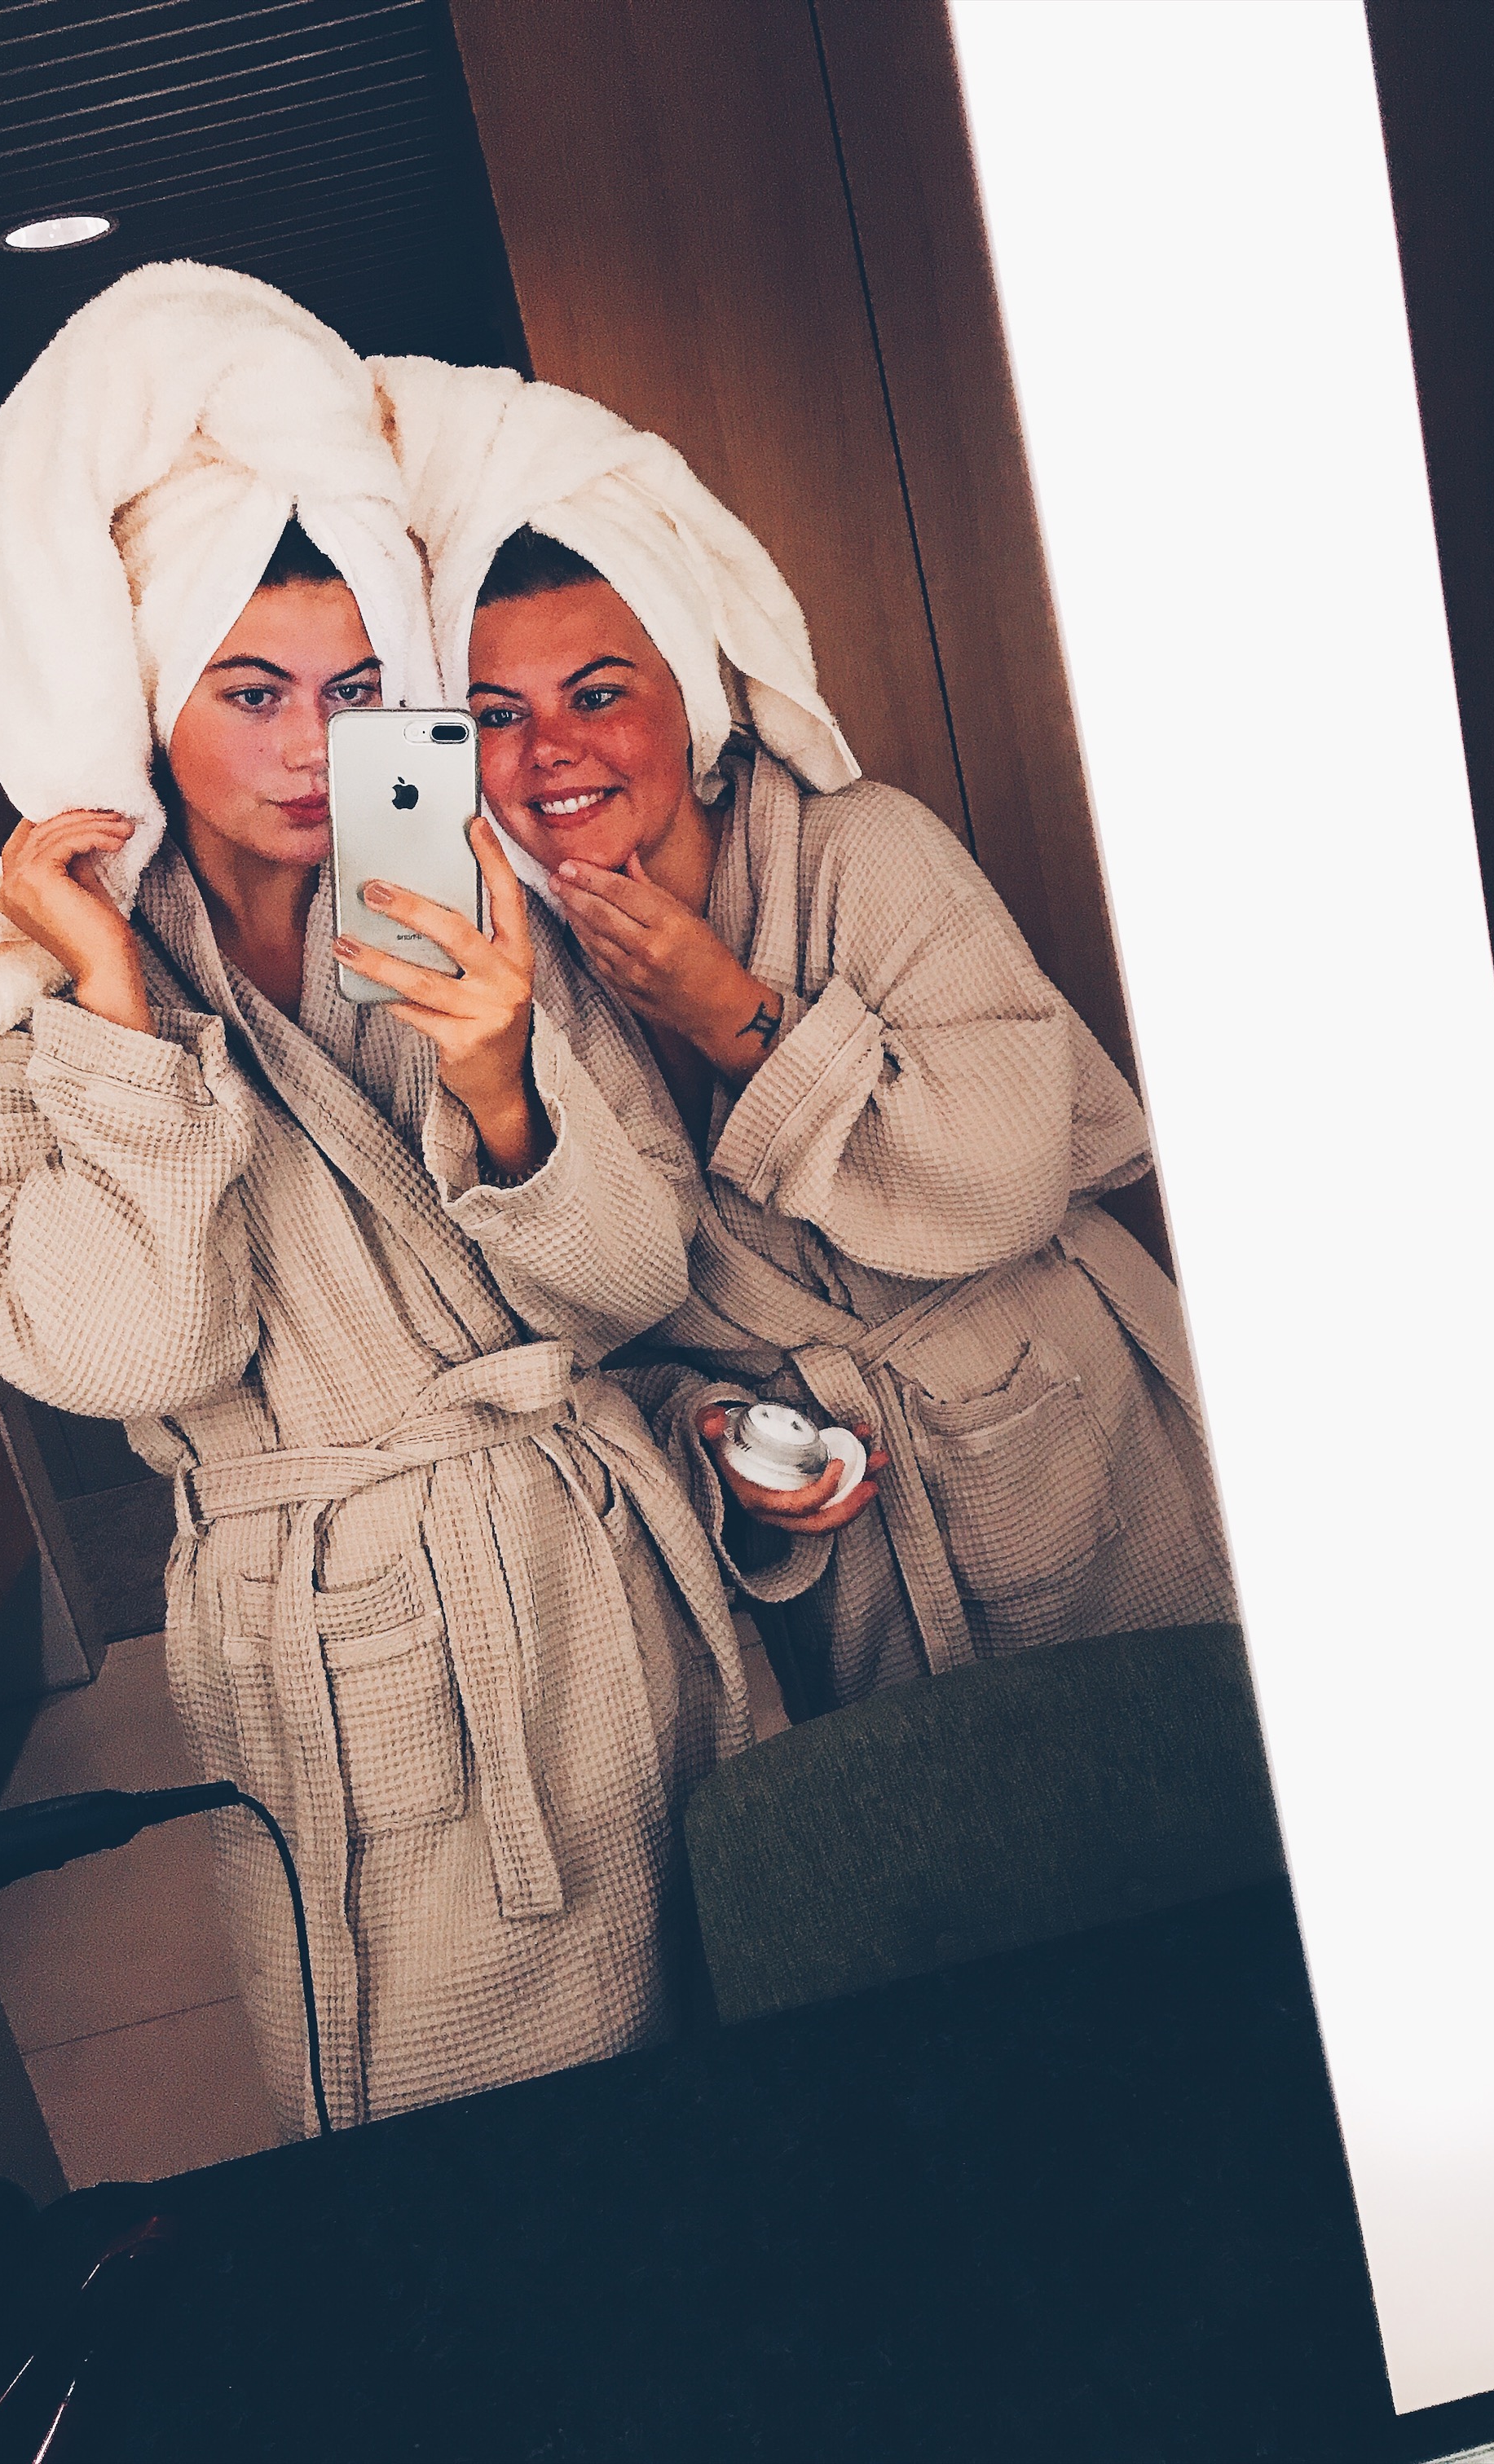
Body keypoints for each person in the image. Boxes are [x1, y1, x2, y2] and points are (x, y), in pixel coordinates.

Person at [0, 263, 748, 2139]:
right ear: (149, 693)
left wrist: (502, 1079)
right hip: (360, 1656)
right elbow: (142, 1352)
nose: (313, 747)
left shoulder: (454, 902)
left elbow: (637, 1279)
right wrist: (118, 1018)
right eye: (252, 691)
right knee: (473, 2159)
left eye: (359, 691)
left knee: (751, 2100)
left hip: (615, 1588)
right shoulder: (21, 1016)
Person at [376, 359, 1234, 1716]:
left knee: (1195, 1787)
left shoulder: (864, 850)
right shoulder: (516, 973)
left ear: (690, 696)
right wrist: (710, 1433)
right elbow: (599, 1310)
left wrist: (735, 1016)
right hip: (838, 1529)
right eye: (496, 716)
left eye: (599, 694)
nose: (549, 751)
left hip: (1065, 1433)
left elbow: (1010, 1174)